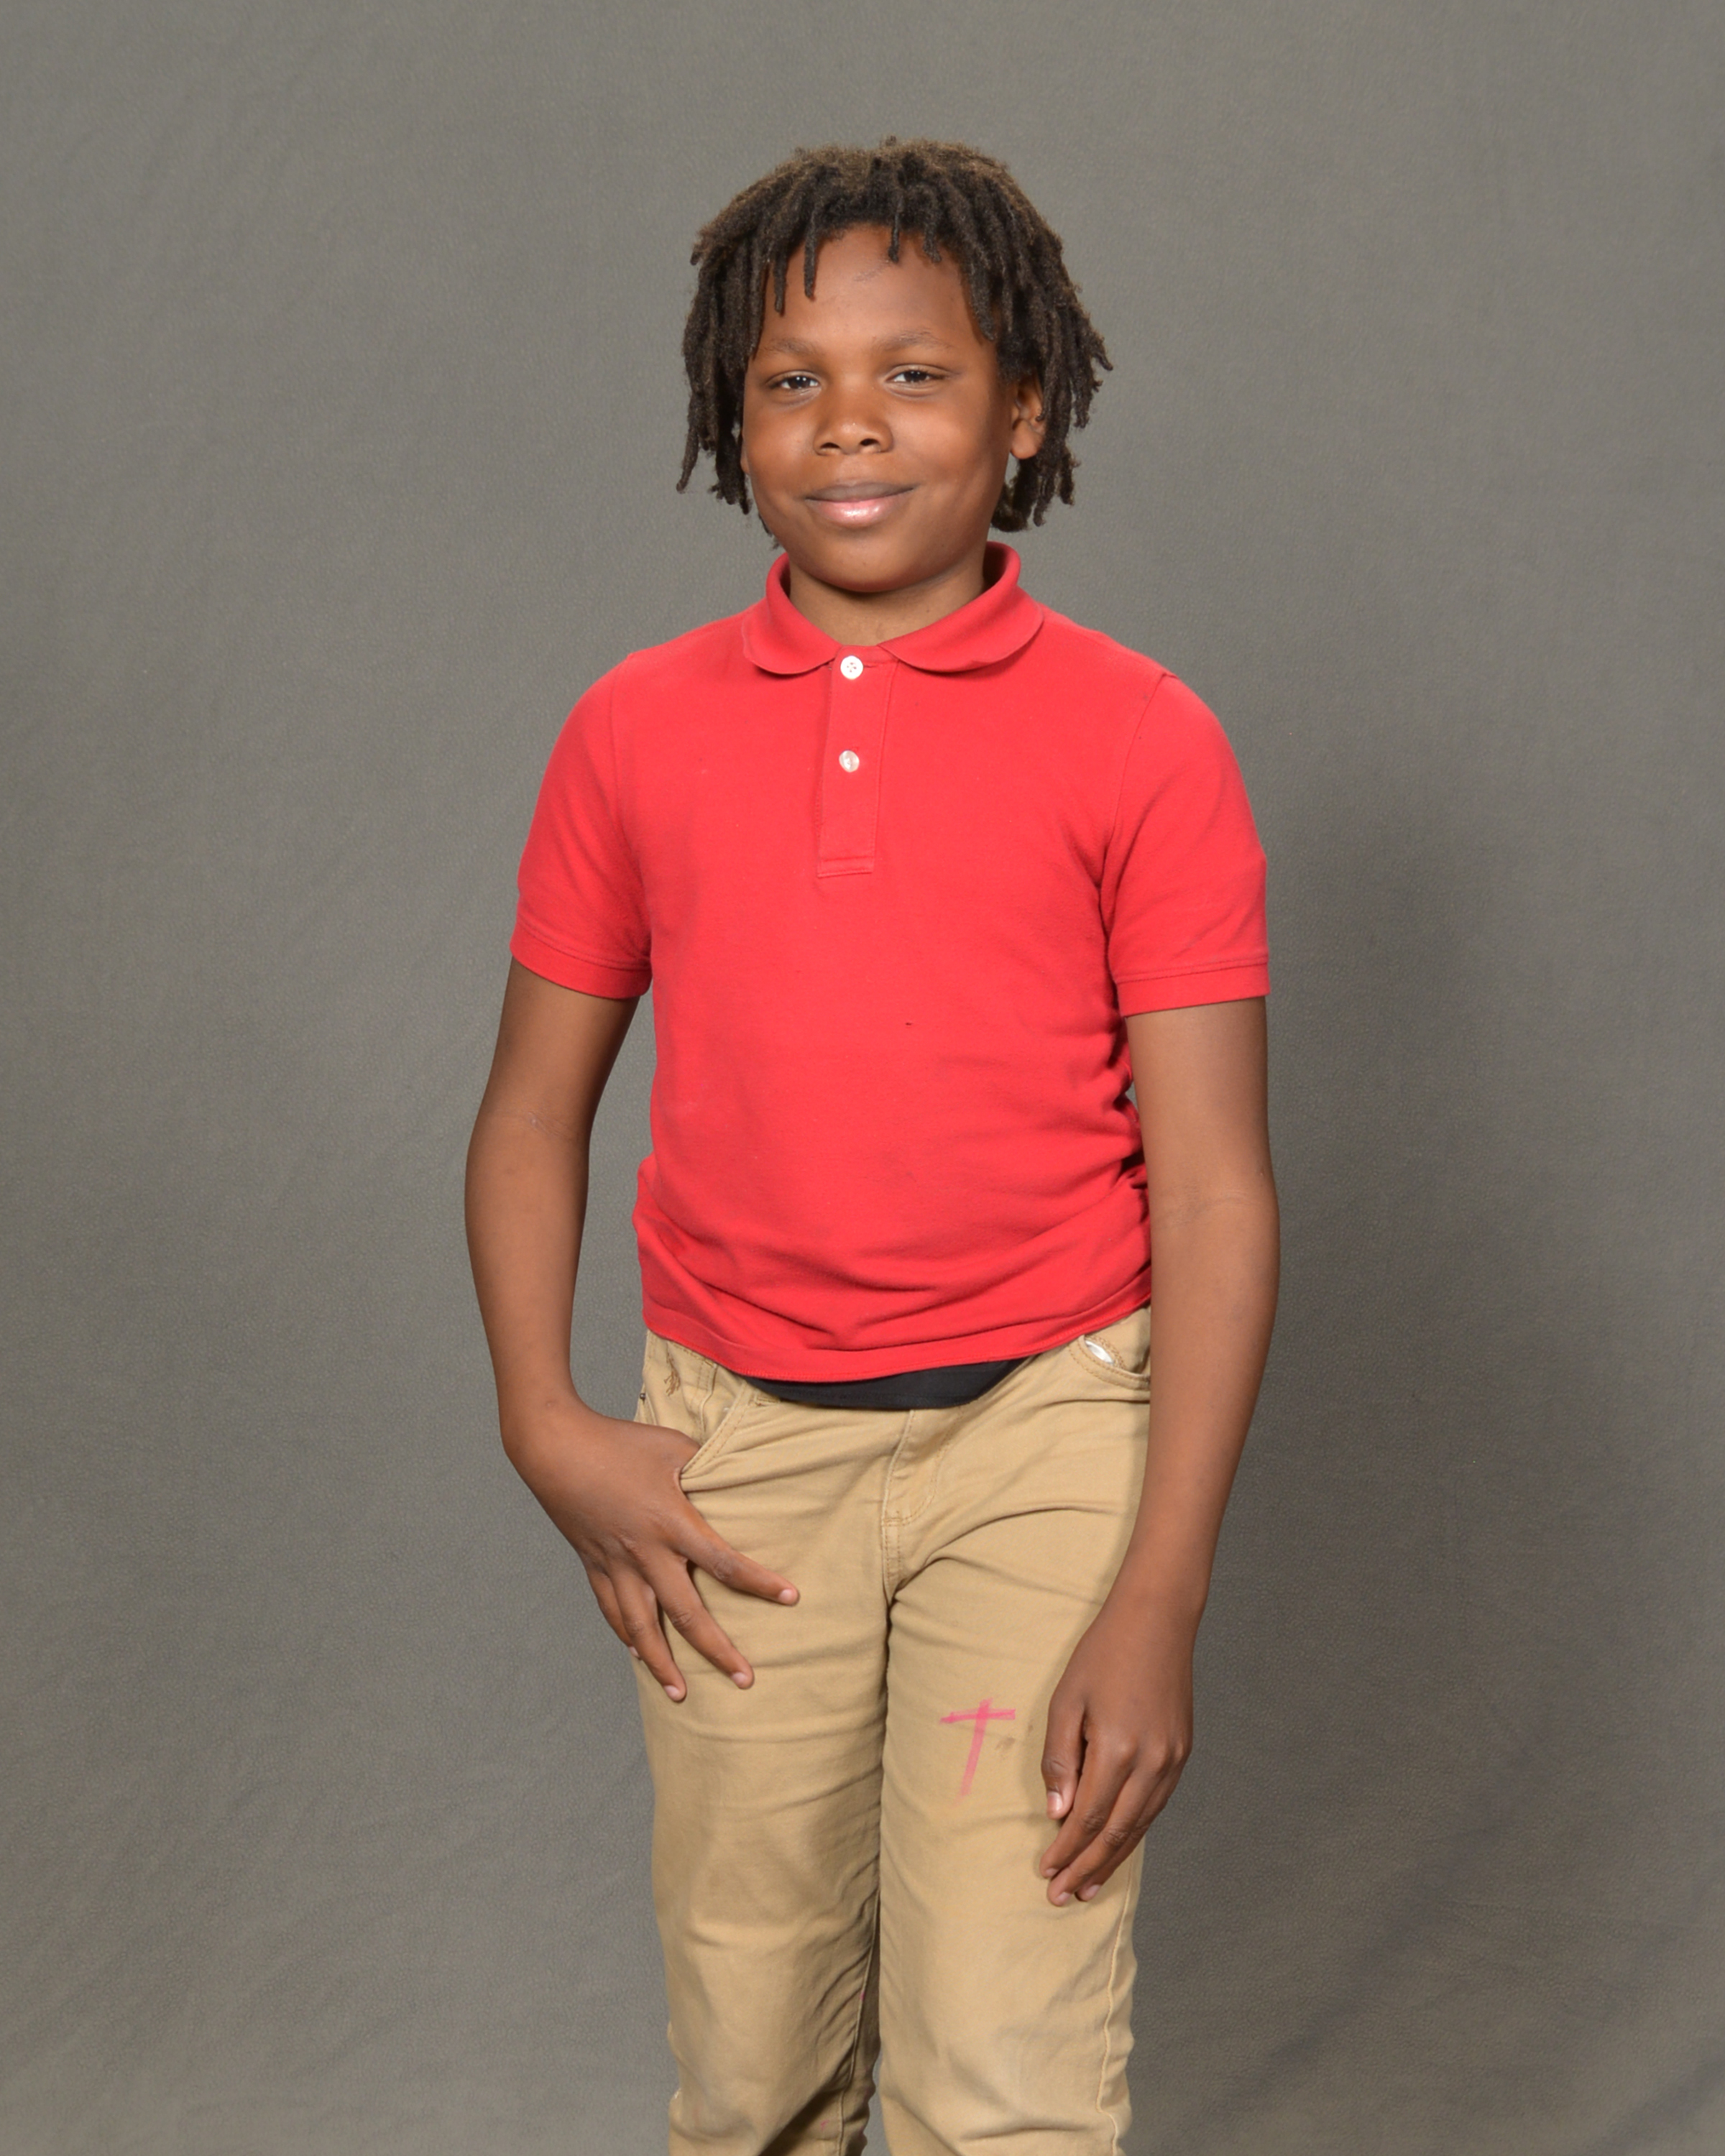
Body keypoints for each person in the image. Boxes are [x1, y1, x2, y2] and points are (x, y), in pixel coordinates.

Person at [466, 137, 1278, 2156]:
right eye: (791, 380)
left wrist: (1163, 1589)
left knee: (1003, 2078)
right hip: (737, 1465)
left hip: (1048, 1439)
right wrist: (543, 1420)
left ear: (1025, 411)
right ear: (728, 416)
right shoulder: (634, 730)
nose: (849, 423)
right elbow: (531, 1111)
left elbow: (1214, 1184)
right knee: (754, 2066)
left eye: (914, 374)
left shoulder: (1141, 735)